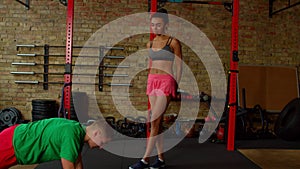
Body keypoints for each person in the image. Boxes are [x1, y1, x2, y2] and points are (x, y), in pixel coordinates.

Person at [129, 8, 182, 169]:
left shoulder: (173, 42)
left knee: (154, 121)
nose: (155, 28)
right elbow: (150, 64)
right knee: (155, 123)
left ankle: (144, 160)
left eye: (158, 25)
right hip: (152, 81)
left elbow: (179, 66)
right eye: (153, 25)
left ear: (166, 24)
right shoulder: (150, 44)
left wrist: (176, 86)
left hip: (167, 81)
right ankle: (160, 159)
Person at [0, 117, 111, 169]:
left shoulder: (77, 130)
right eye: (102, 142)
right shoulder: (72, 135)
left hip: (16, 137)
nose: (101, 147)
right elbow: (69, 167)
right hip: (13, 144)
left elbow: (77, 162)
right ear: (97, 133)